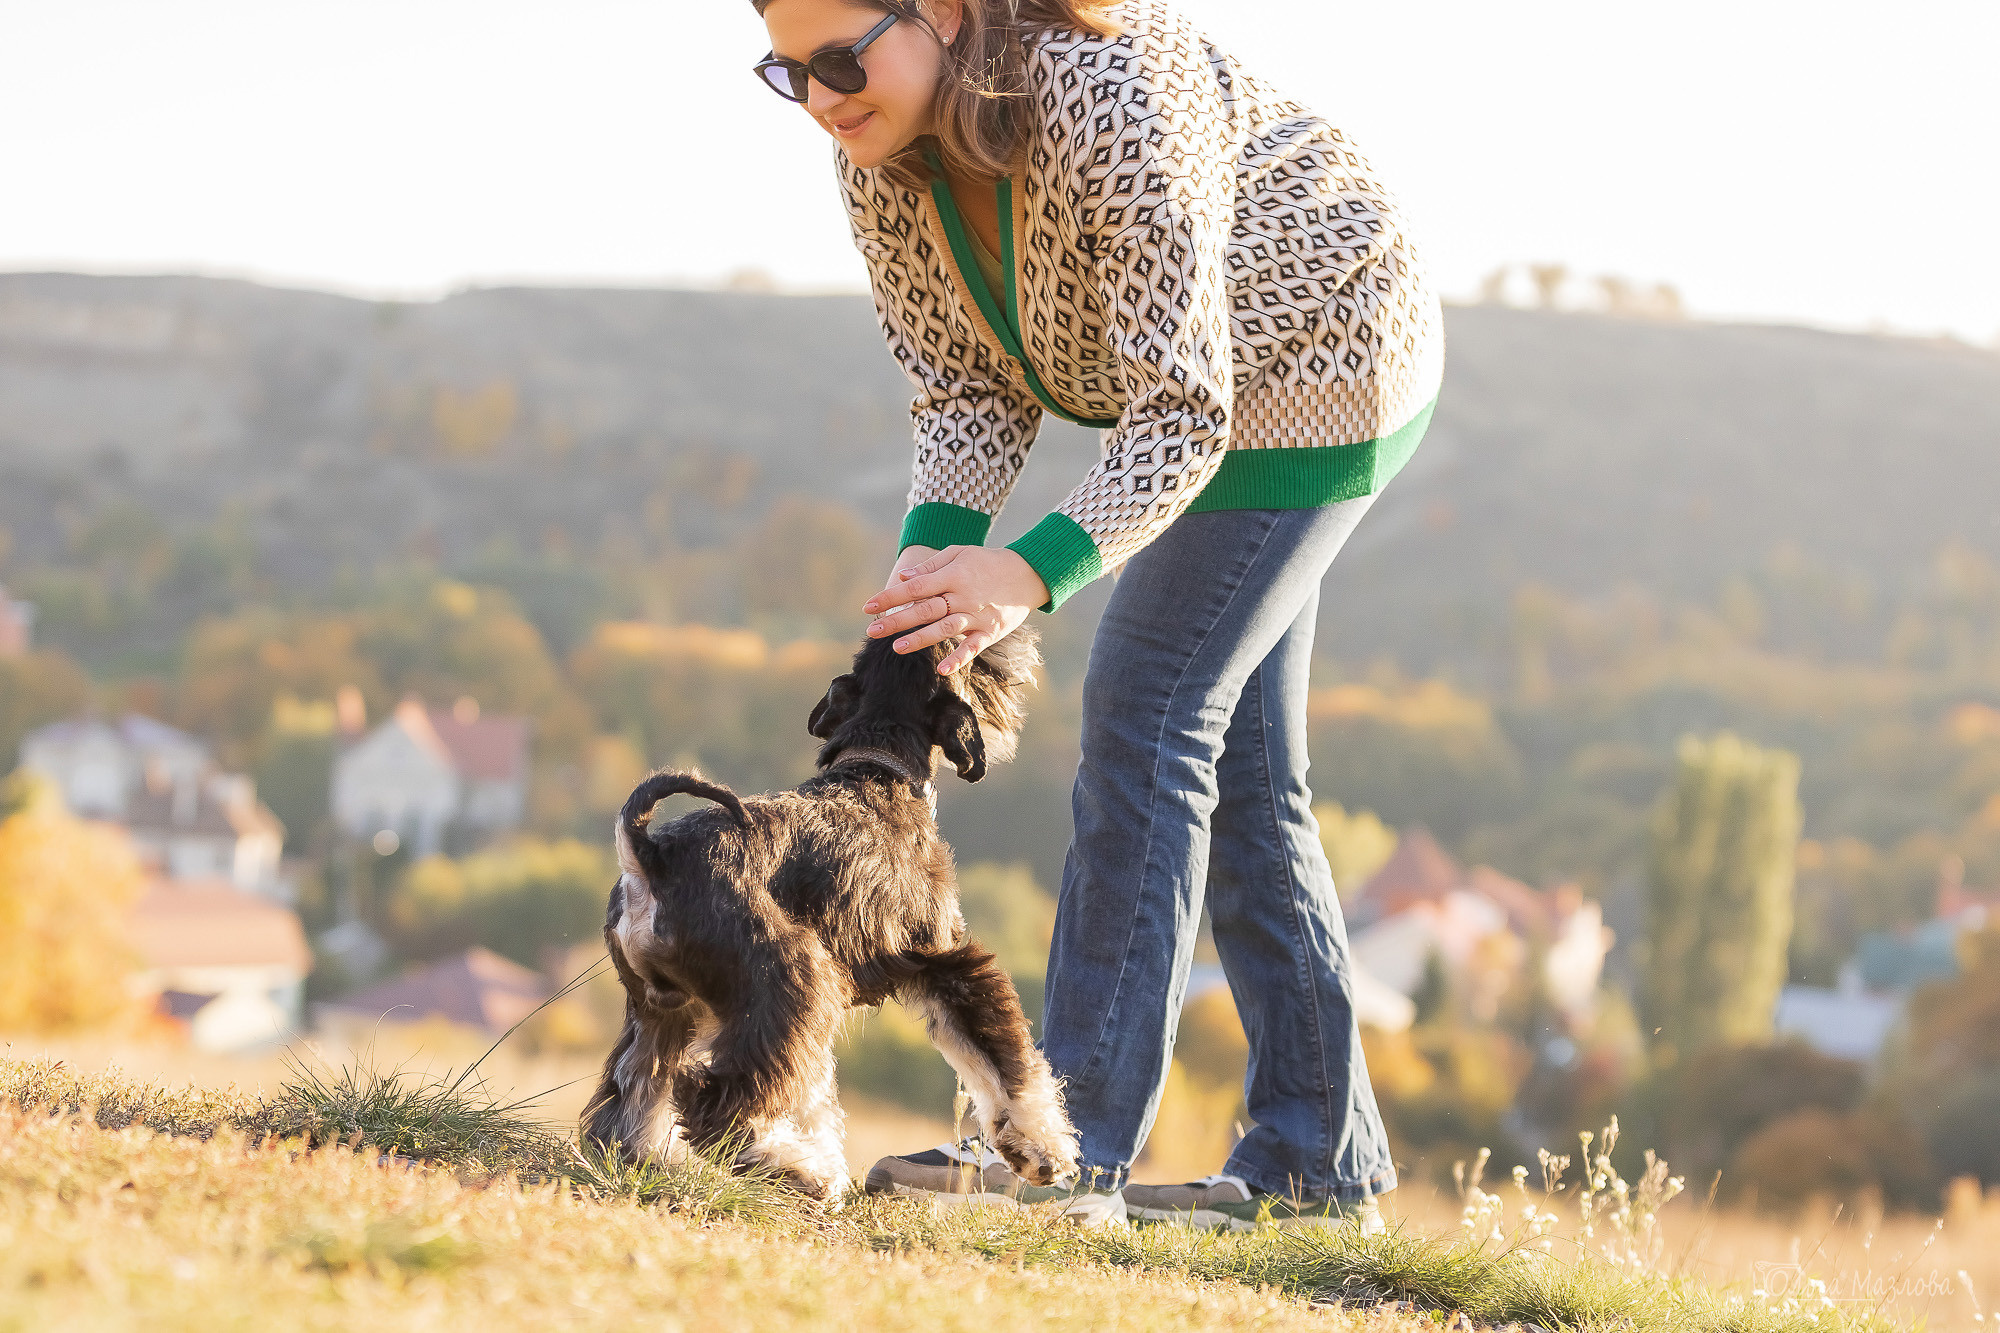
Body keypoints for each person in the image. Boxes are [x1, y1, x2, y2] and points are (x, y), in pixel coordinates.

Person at [750, 0, 1441, 1229]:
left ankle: (1065, 1154)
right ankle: (1318, 1168)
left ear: (942, 13)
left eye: (843, 59)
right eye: (787, 72)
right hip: (1192, 402)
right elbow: (963, 389)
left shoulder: (1107, 100)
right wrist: (927, 583)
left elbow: (1181, 412)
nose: (821, 97)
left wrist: (1021, 574)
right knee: (1242, 771)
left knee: (1144, 712)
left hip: (1322, 362)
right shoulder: (878, 162)